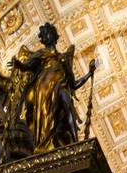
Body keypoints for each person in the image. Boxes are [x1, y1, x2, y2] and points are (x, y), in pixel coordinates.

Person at [10, 23, 95, 152]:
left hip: (60, 86)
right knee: (45, 115)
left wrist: (89, 73)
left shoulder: (64, 59)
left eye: (47, 33)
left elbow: (73, 84)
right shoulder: (41, 54)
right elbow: (27, 66)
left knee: (68, 108)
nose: (45, 37)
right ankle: (43, 141)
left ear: (54, 36)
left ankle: (75, 142)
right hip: (44, 90)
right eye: (44, 35)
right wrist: (18, 64)